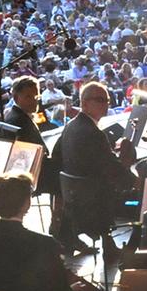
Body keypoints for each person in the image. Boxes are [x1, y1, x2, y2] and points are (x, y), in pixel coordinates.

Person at [56, 81, 137, 261]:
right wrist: (135, 182)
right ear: (84, 103)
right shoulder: (92, 132)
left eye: (107, 100)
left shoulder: (72, 126)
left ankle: (104, 242)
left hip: (75, 193)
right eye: (100, 100)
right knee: (139, 192)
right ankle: (132, 246)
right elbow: (109, 167)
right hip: (92, 200)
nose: (106, 104)